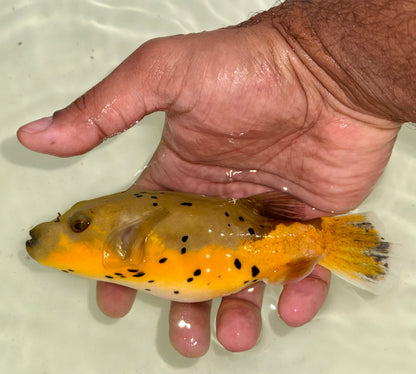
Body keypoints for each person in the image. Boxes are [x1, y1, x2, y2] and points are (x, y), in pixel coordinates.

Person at [17, 0, 415, 358]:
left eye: (79, 225)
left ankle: (332, 240)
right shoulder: (123, 258)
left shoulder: (132, 249)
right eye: (75, 222)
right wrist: (329, 70)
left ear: (128, 238)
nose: (55, 229)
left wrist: (322, 68)